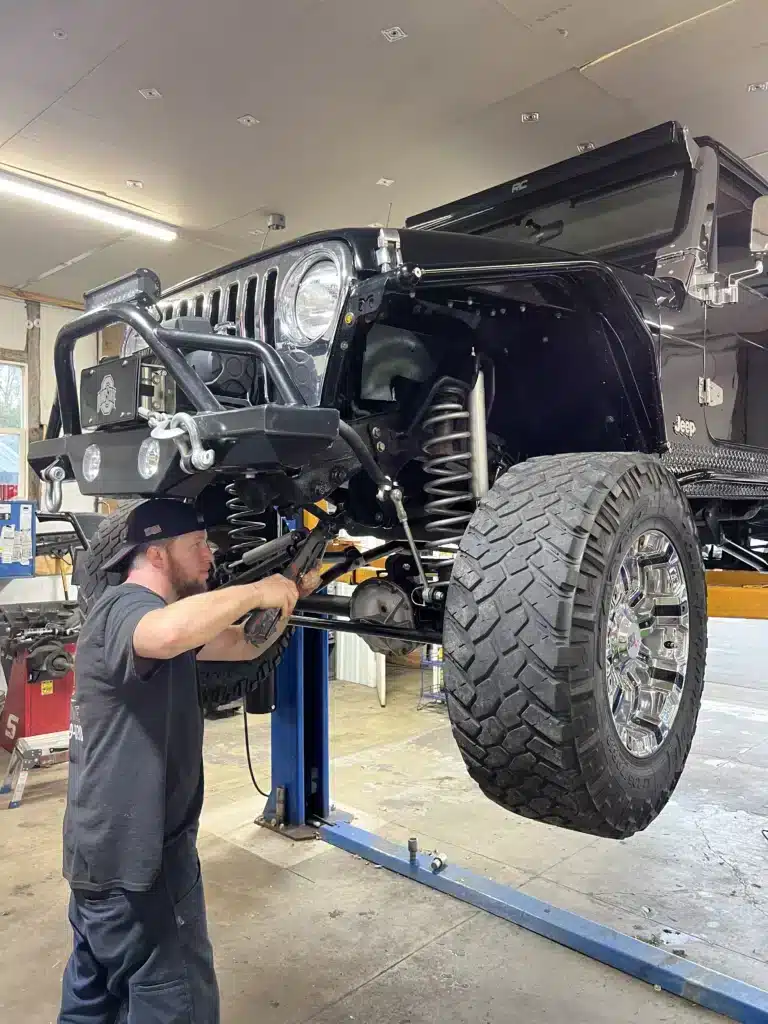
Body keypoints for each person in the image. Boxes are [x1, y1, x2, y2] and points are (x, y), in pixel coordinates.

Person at [58, 498, 321, 1023]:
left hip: (102, 859)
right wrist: (252, 590)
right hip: (140, 865)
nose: (210, 554)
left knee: (95, 1003)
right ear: (156, 554)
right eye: (196, 545)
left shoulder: (153, 624)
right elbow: (168, 631)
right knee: (175, 1002)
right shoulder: (125, 608)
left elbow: (244, 645)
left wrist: (289, 595)